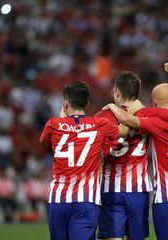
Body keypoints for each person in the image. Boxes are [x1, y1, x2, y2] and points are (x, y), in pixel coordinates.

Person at [103, 62, 168, 240]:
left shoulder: (155, 123)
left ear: (154, 102)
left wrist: (113, 107)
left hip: (167, 198)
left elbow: (127, 121)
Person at [40, 81, 120, 240]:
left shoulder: (53, 124)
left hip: (58, 198)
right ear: (87, 103)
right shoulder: (101, 124)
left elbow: (44, 142)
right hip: (86, 199)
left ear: (65, 103)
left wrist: (62, 119)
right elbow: (117, 139)